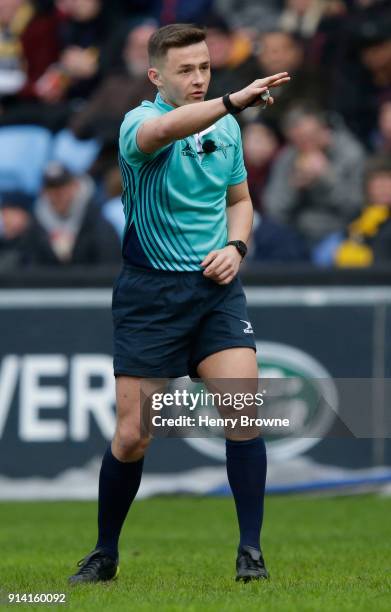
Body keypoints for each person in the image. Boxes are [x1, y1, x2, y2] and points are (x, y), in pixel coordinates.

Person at [67, 23, 290, 585]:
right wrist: (231, 98)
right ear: (156, 76)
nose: (197, 78)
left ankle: (250, 554)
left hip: (215, 292)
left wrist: (236, 246)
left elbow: (240, 201)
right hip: (151, 296)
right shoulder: (138, 125)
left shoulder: (227, 127)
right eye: (185, 70)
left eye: (205, 67)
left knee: (243, 414)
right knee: (133, 435)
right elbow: (167, 128)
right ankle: (105, 552)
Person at [264, 105, 365, 245]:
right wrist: (293, 187)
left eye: (311, 136)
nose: (306, 144)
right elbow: (274, 210)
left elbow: (355, 207)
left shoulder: (350, 153)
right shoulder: (288, 157)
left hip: (341, 231)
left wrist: (326, 177)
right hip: (296, 232)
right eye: (299, 140)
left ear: (324, 130)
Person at [23, 161, 121, 265]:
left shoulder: (98, 224)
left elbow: (109, 266)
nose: (58, 194)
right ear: (44, 191)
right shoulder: (34, 228)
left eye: (63, 187)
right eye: (52, 188)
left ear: (75, 186)